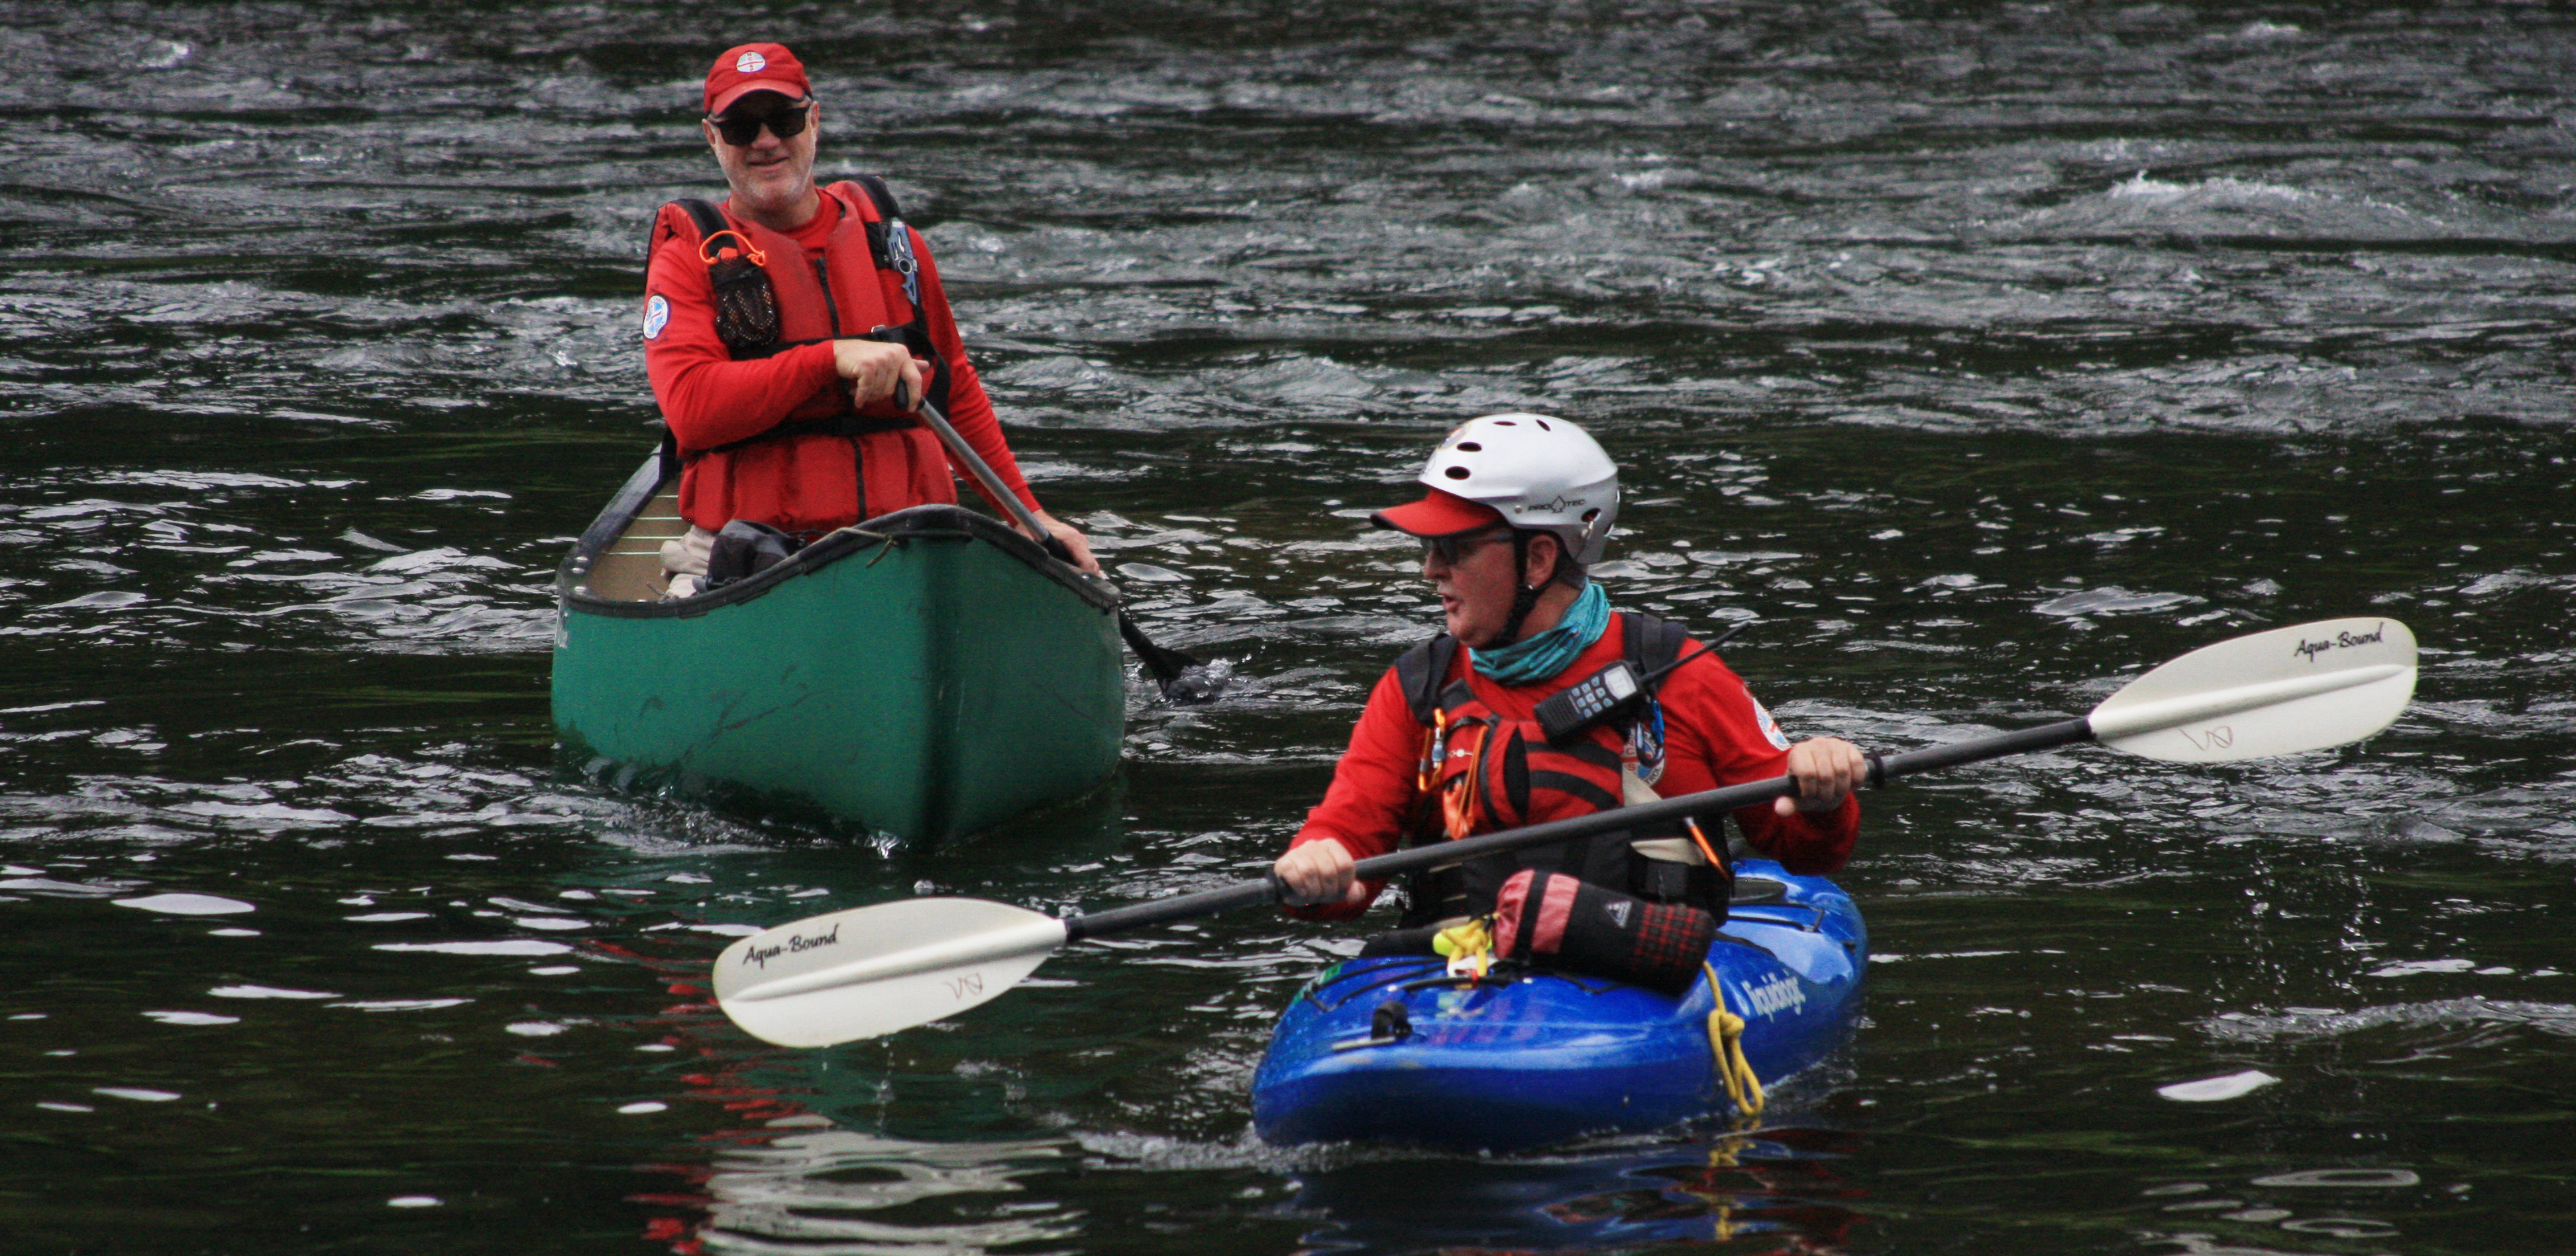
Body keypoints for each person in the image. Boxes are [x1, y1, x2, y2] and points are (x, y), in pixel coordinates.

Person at [1272, 413, 1866, 937]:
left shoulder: (1677, 671)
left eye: (1453, 548)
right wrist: (1316, 867)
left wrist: (1819, 782)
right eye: (1428, 547)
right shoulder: (1416, 690)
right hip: (1464, 973)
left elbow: (1806, 848)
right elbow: (1345, 844)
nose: (1430, 570)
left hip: (1646, 973)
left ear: (1537, 558)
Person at [641, 42, 1097, 596]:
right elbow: (692, 409)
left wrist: (1027, 513)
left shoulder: (894, 246)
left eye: (783, 120)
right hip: (747, 558)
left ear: (814, 121)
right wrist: (830, 359)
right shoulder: (686, 259)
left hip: (907, 546)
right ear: (712, 138)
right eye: (740, 127)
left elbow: (953, 384)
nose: (765, 142)